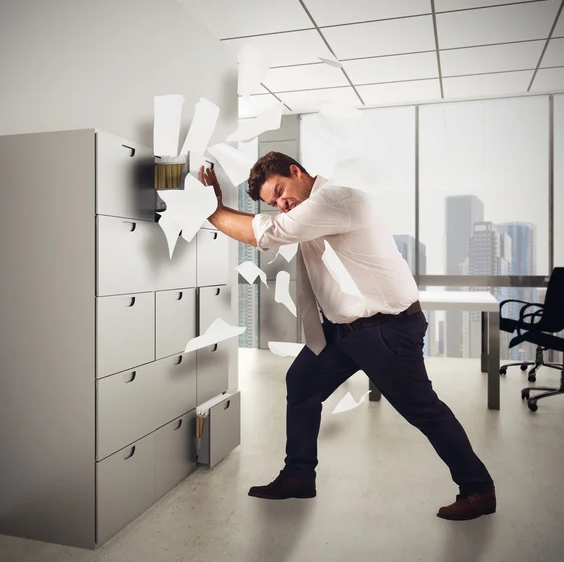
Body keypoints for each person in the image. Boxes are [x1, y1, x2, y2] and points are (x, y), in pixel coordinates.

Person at [198, 151, 496, 521]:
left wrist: (210, 209)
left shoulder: (335, 200)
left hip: (387, 330)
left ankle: (478, 489)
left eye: (280, 191)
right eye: (273, 202)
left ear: (296, 171)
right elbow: (272, 225)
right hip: (346, 332)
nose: (281, 204)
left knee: (423, 409)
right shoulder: (309, 210)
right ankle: (299, 476)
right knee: (302, 383)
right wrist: (222, 207)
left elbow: (268, 232)